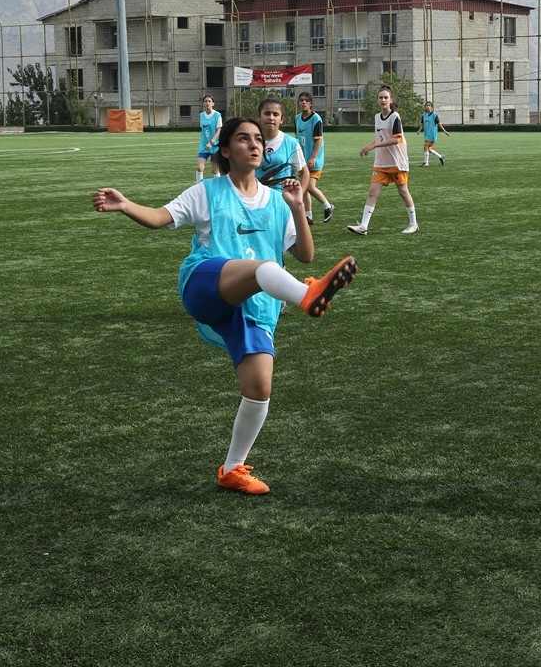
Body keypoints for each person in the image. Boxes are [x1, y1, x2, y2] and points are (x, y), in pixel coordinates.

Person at [92, 117, 358, 495]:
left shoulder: (276, 200)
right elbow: (160, 218)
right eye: (243, 139)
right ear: (226, 150)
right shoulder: (208, 192)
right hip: (205, 284)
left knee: (259, 388)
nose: (254, 144)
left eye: (258, 139)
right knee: (264, 269)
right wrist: (125, 205)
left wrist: (298, 207)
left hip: (254, 306)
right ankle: (305, 294)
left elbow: (305, 255)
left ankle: (232, 469)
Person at [347, 85, 419, 235]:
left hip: (397, 162)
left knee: (403, 192)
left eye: (386, 97)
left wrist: (374, 146)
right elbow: (380, 138)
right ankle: (363, 226)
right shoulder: (377, 117)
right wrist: (368, 146)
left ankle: (413, 224)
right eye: (380, 97)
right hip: (381, 163)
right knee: (372, 192)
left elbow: (396, 139)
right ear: (377, 100)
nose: (383, 100)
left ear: (391, 100)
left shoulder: (395, 117)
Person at [294, 92, 336, 224]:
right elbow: (297, 139)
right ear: (298, 103)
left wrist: (313, 158)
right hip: (302, 160)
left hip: (314, 160)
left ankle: (328, 206)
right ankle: (308, 216)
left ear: (311, 104)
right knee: (304, 189)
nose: (304, 102)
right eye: (301, 100)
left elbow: (318, 140)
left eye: (307, 100)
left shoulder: (316, 119)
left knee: (309, 186)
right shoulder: (297, 118)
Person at [256, 97, 309, 194]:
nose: (271, 118)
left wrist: (299, 196)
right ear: (259, 116)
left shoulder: (291, 143)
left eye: (275, 114)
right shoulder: (251, 141)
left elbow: (305, 173)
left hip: (282, 200)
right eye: (267, 113)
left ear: (281, 119)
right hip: (255, 199)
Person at [196, 94, 223, 183]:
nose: (207, 103)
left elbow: (219, 131)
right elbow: (203, 130)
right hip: (204, 146)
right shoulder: (201, 115)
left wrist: (211, 142)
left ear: (213, 103)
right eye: (205, 101)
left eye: (209, 101)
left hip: (215, 146)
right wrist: (205, 142)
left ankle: (218, 187)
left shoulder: (217, 115)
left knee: (215, 170)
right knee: (199, 168)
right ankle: (199, 186)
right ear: (203, 104)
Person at [415, 100, 451, 167]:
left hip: (432, 135)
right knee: (429, 149)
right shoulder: (424, 115)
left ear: (431, 107)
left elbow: (439, 124)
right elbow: (422, 124)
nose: (428, 106)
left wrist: (445, 131)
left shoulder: (434, 115)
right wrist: (419, 130)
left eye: (429, 105)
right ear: (425, 107)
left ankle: (426, 163)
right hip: (426, 135)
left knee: (425, 146)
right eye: (427, 105)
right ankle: (440, 157)